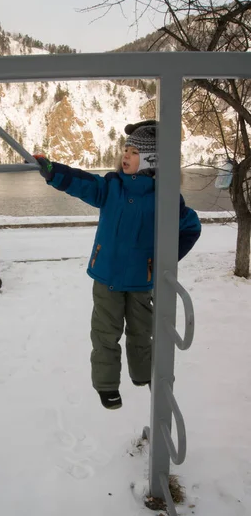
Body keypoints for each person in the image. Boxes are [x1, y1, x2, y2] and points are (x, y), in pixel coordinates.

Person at [34, 120, 201, 410]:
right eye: (125, 148)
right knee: (105, 333)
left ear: (152, 160)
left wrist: (163, 261)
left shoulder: (165, 198)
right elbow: (81, 183)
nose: (125, 155)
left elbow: (191, 227)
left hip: (140, 281)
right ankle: (107, 384)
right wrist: (53, 172)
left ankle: (142, 374)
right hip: (107, 276)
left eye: (135, 151)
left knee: (141, 333)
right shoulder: (110, 187)